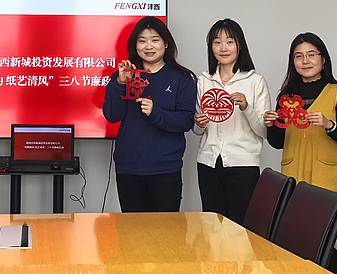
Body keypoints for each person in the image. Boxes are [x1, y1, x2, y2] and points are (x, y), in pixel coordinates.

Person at [264, 33, 337, 274]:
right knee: (295, 245)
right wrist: (271, 125)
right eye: (299, 56)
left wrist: (329, 125)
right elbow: (277, 143)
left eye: (311, 54)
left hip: (327, 180)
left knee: (328, 246)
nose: (305, 61)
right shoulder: (286, 98)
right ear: (292, 62)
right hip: (295, 176)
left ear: (323, 60)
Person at [103, 16, 197, 213]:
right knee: (131, 229)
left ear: (166, 43)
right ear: (135, 45)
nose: (148, 46)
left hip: (166, 168)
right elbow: (112, 115)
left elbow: (186, 121)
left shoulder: (182, 79)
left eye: (155, 40)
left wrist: (156, 113)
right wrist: (120, 83)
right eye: (142, 41)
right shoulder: (123, 76)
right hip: (129, 167)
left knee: (165, 230)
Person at [193, 19, 270, 225]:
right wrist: (199, 124)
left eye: (229, 42)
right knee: (211, 226)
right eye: (217, 42)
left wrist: (246, 107)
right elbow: (197, 130)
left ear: (240, 45)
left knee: (239, 228)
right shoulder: (204, 80)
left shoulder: (255, 81)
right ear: (211, 47)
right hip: (208, 164)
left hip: (243, 166)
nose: (223, 48)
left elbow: (264, 131)